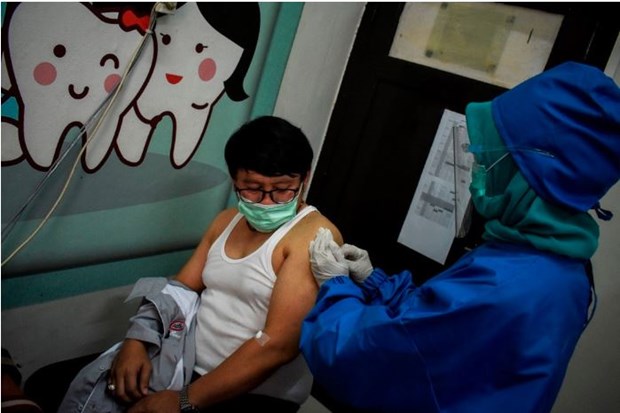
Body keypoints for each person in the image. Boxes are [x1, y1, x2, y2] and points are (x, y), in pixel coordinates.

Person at [300, 62, 620, 413]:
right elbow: (437, 326)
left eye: (491, 159)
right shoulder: (558, 265)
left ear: (533, 172)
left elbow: (355, 356)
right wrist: (375, 283)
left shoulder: (508, 283)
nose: (476, 170)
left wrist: (335, 288)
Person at [57, 115, 342, 413]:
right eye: (253, 188)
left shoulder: (313, 236)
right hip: (186, 364)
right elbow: (181, 288)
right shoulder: (226, 222)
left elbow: (277, 346)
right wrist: (137, 339)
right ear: (235, 180)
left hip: (256, 392)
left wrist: (184, 400)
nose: (267, 202)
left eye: (283, 189)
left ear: (305, 177)